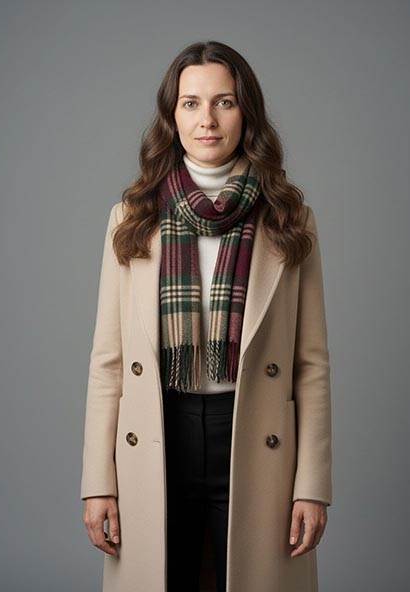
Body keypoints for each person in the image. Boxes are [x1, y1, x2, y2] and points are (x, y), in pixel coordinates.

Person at [81, 40, 332, 592]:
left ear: (247, 112)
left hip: (254, 436)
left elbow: (310, 364)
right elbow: (109, 362)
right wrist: (98, 481)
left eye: (224, 102)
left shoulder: (290, 219)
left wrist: (312, 485)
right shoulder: (132, 218)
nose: (208, 120)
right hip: (157, 433)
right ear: (172, 116)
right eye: (191, 103)